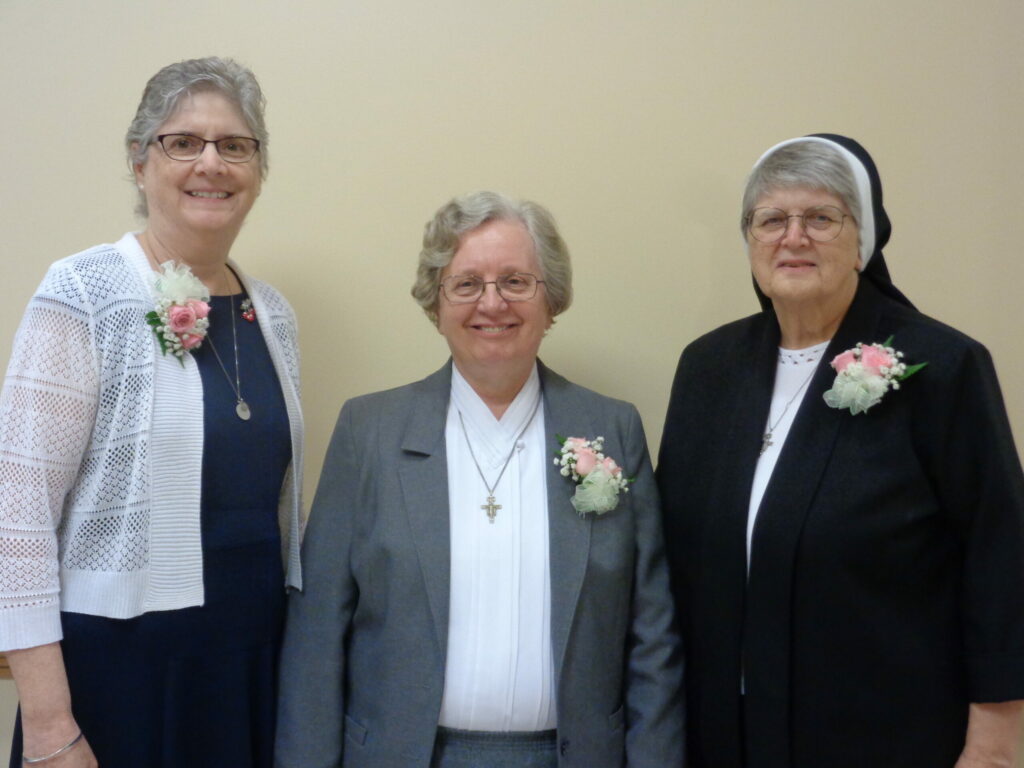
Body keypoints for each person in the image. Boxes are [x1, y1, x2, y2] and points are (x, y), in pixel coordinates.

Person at [276, 190, 683, 767]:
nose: (492, 303)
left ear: (552, 301)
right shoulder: (369, 433)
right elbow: (317, 637)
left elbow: (653, 639)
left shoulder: (610, 429)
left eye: (516, 281)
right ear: (436, 305)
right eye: (466, 284)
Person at [657, 133, 1024, 767]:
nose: (792, 237)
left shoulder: (941, 367)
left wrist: (994, 742)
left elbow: (1001, 557)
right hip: (723, 732)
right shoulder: (708, 368)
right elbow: (673, 559)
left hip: (886, 732)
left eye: (821, 218)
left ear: (864, 240)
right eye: (771, 219)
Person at [0, 57, 303, 768]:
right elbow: (16, 515)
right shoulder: (84, 291)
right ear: (139, 163)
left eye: (235, 145)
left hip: (248, 664)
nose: (212, 163)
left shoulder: (275, 316)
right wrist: (48, 725)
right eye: (182, 141)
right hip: (118, 674)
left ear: (257, 170)